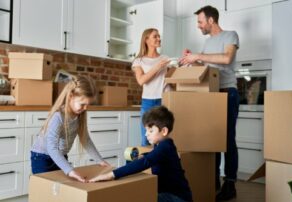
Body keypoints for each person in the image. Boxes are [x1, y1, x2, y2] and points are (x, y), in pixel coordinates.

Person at [179, 5, 240, 201]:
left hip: (228, 92)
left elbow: (227, 58)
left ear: (211, 20)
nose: (199, 26)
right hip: (210, 93)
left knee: (227, 140)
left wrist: (199, 56)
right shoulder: (206, 44)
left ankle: (230, 185)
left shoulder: (230, 36)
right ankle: (212, 180)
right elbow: (206, 66)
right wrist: (191, 59)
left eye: (200, 21)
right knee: (212, 139)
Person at [89, 106, 193, 202]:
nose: (146, 134)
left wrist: (111, 175)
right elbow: (153, 156)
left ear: (164, 131)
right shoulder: (161, 146)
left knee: (145, 197)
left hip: (177, 198)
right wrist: (144, 155)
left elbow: (145, 162)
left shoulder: (165, 146)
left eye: (151, 131)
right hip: (168, 194)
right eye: (146, 130)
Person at [31, 75, 110, 182]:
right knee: (45, 190)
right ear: (71, 96)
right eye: (82, 104)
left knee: (61, 191)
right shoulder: (58, 117)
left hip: (61, 156)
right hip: (42, 158)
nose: (85, 108)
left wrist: (100, 161)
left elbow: (86, 140)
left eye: (88, 105)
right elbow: (52, 148)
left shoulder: (79, 116)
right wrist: (70, 170)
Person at [132, 28, 171, 146]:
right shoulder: (139, 61)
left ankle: (162, 164)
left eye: (159, 36)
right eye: (155, 36)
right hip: (148, 102)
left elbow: (173, 78)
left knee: (163, 138)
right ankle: (148, 164)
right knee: (147, 139)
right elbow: (141, 80)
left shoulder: (166, 58)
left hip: (164, 100)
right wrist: (157, 67)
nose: (159, 39)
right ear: (146, 40)